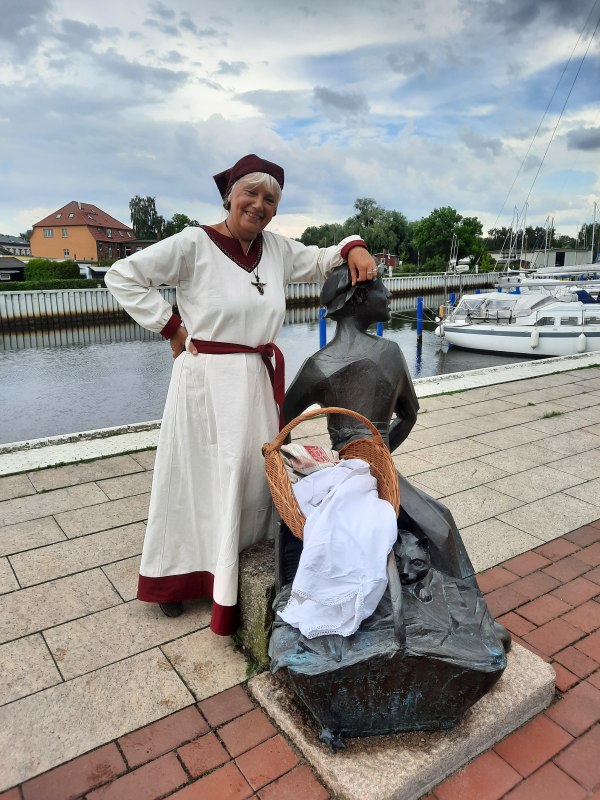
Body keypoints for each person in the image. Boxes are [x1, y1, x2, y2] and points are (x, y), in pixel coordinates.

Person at [105, 154, 377, 635]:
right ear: (229, 195)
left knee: (253, 476)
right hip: (206, 381)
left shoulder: (274, 249)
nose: (259, 204)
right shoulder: (194, 243)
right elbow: (122, 275)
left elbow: (319, 259)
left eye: (270, 198)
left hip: (254, 378)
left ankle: (237, 568)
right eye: (250, 193)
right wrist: (171, 326)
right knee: (198, 478)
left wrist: (354, 246)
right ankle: (179, 578)